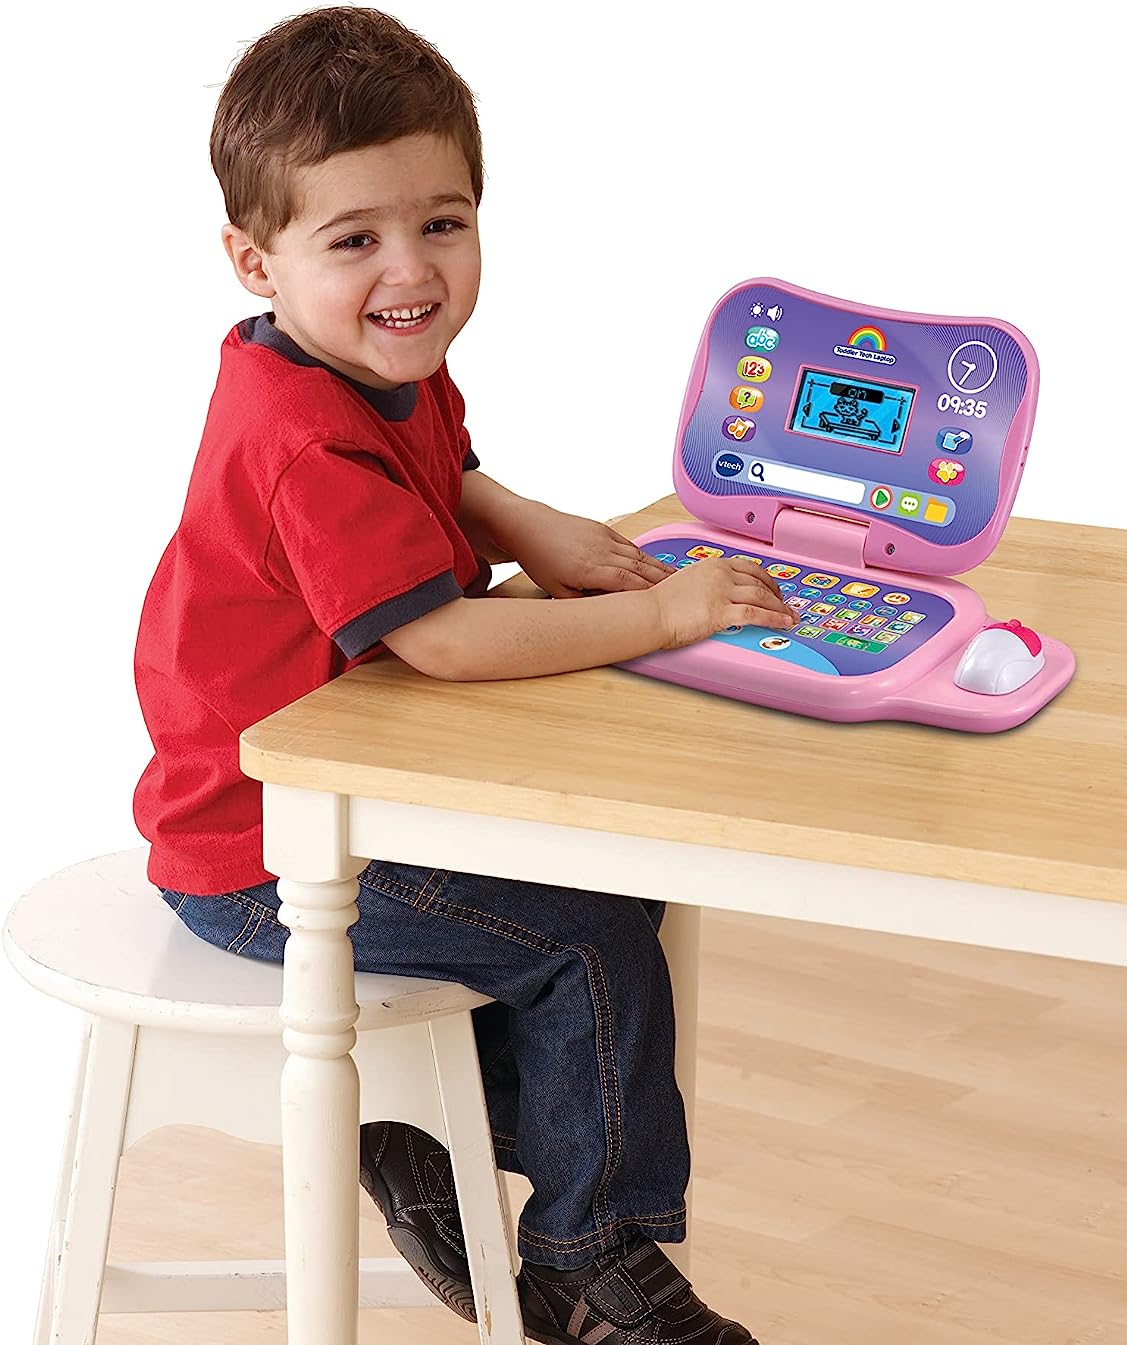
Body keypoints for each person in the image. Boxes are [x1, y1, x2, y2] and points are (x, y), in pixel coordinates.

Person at [132, 8, 793, 1340]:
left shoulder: (371, 360)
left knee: (609, 886)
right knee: (587, 939)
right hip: (264, 852)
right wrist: (663, 616)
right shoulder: (301, 438)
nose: (412, 271)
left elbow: (445, 477)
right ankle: (586, 1260)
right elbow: (437, 638)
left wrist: (529, 525)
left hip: (357, 793)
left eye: (443, 223)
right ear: (254, 260)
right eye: (355, 240)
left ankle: (424, 1134)